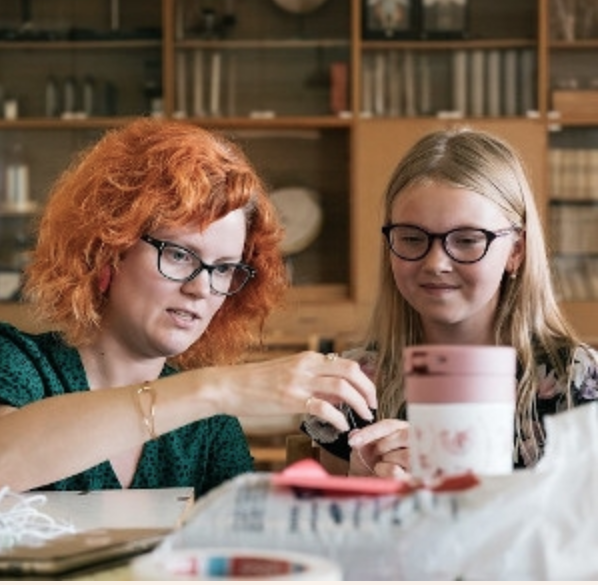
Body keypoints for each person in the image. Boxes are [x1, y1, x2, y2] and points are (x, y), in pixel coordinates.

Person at [0, 118, 376, 497]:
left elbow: (238, 542)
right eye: (179, 254)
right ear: (108, 249)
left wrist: (361, 487)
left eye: (225, 269)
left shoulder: (209, 426)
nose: (202, 288)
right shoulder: (19, 363)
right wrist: (215, 389)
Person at [303, 126, 598, 477]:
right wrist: (362, 491)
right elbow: (330, 526)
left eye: (467, 240)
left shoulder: (575, 380)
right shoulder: (352, 388)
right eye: (412, 238)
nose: (436, 263)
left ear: (515, 251)